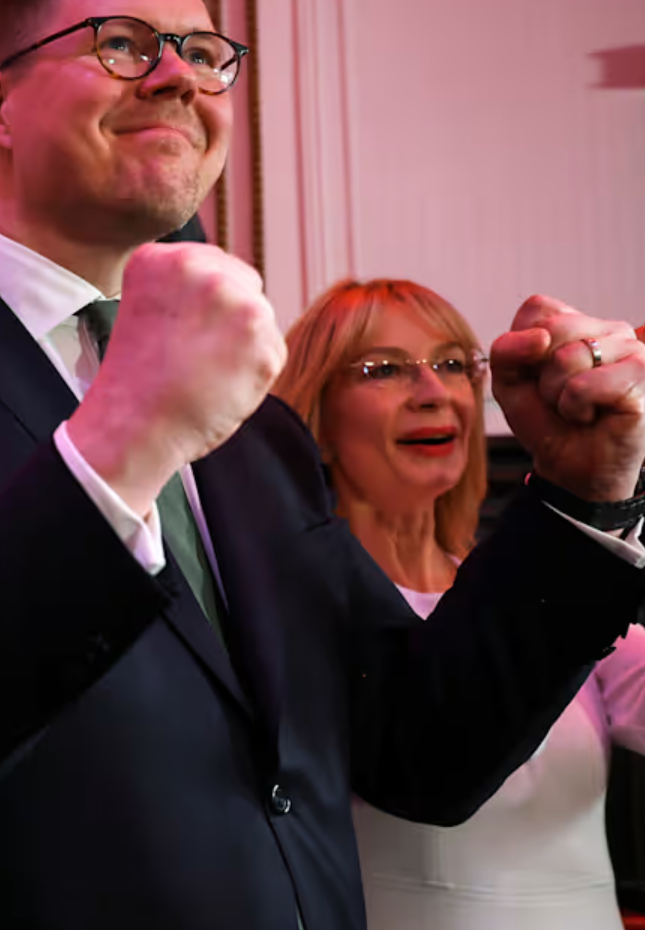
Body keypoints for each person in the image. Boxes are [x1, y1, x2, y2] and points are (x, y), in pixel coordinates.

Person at [0, 0, 645, 930]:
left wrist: (578, 495)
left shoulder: (254, 430)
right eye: (122, 43)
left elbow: (424, 747)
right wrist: (123, 440)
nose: (177, 77)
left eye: (206, 54)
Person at [273, 278, 645, 929]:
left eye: (451, 365)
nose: (433, 391)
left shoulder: (562, 590)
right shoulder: (283, 616)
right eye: (385, 369)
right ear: (317, 421)